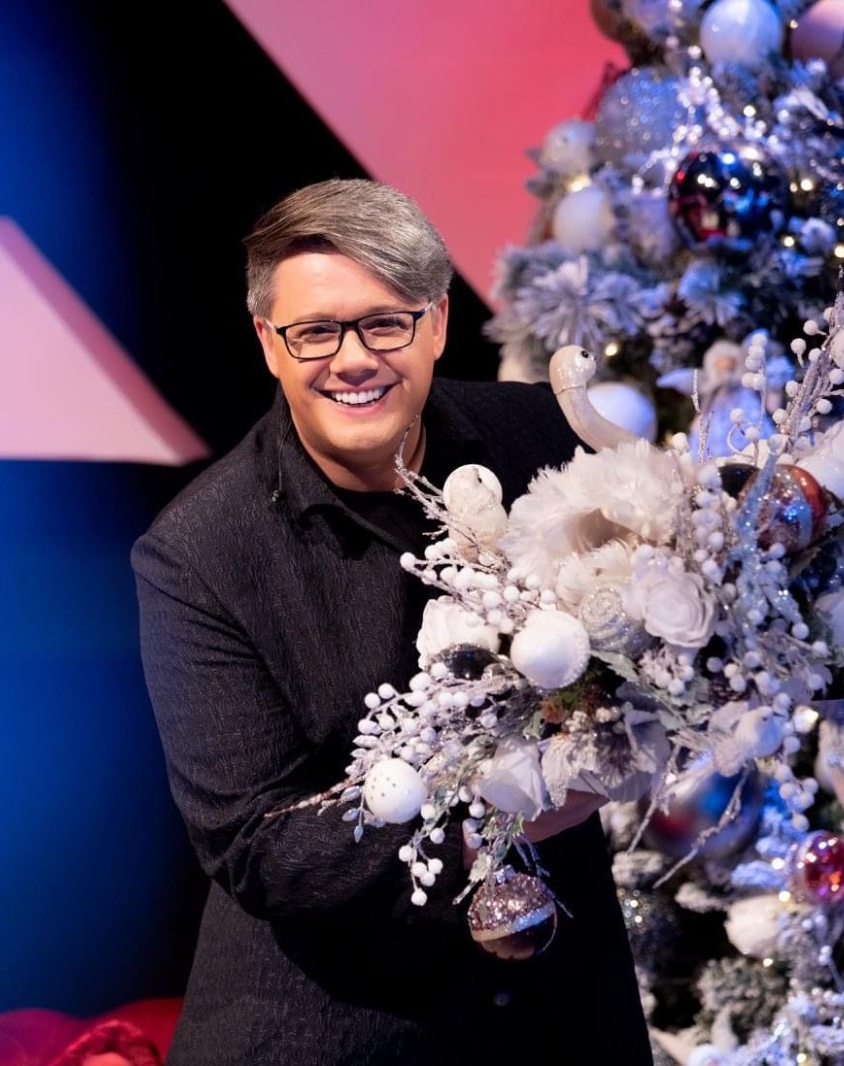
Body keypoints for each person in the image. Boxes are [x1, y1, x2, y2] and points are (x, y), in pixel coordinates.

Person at [130, 178, 651, 1065]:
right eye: (315, 332)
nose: (352, 360)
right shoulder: (198, 555)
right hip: (333, 1032)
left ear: (437, 323)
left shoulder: (538, 437)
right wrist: (511, 809)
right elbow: (257, 848)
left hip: (563, 1012)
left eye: (385, 323)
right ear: (268, 344)